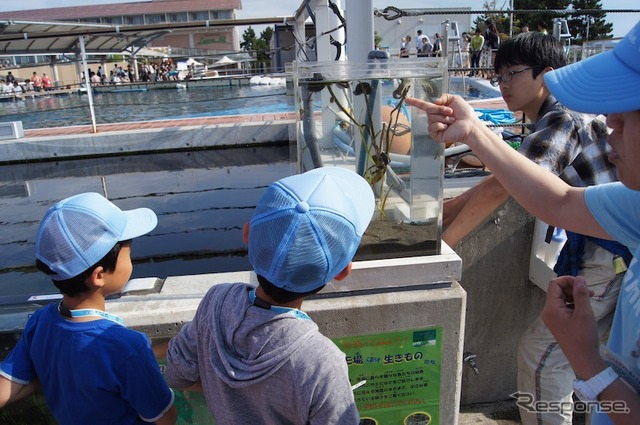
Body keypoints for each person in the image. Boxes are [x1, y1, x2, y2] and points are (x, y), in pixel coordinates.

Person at [406, 19, 640, 425]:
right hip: (608, 255)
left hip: (604, 259)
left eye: (511, 73)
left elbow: (504, 190)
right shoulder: (626, 203)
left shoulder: (562, 117)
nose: (502, 84)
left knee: (543, 359)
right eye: (498, 75)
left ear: (544, 76)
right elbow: (542, 193)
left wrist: (444, 246)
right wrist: (474, 138)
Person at [165, 167, 375, 424]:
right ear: (343, 271)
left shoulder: (216, 302)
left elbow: (177, 374)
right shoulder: (321, 362)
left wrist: (221, 390)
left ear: (247, 234)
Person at [0, 193, 177, 425]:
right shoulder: (129, 346)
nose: (131, 260)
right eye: (129, 253)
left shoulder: (40, 321)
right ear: (99, 275)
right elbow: (164, 418)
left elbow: (5, 389)